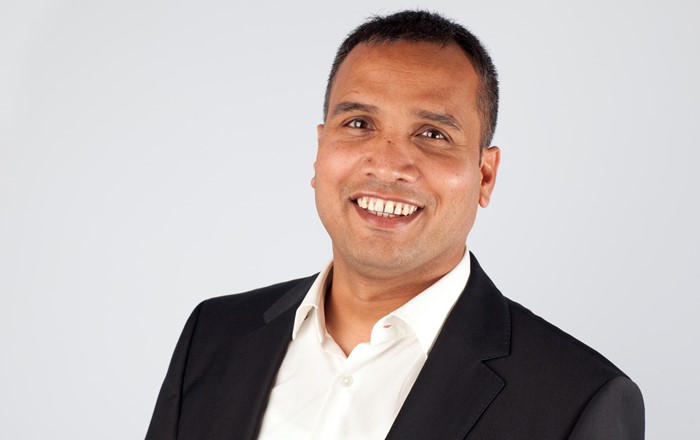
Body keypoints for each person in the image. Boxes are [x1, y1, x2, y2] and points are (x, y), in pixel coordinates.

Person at [145, 10, 644, 440]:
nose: (387, 165)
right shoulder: (214, 336)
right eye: (359, 123)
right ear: (320, 151)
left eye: (432, 133)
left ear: (485, 175)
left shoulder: (578, 399)